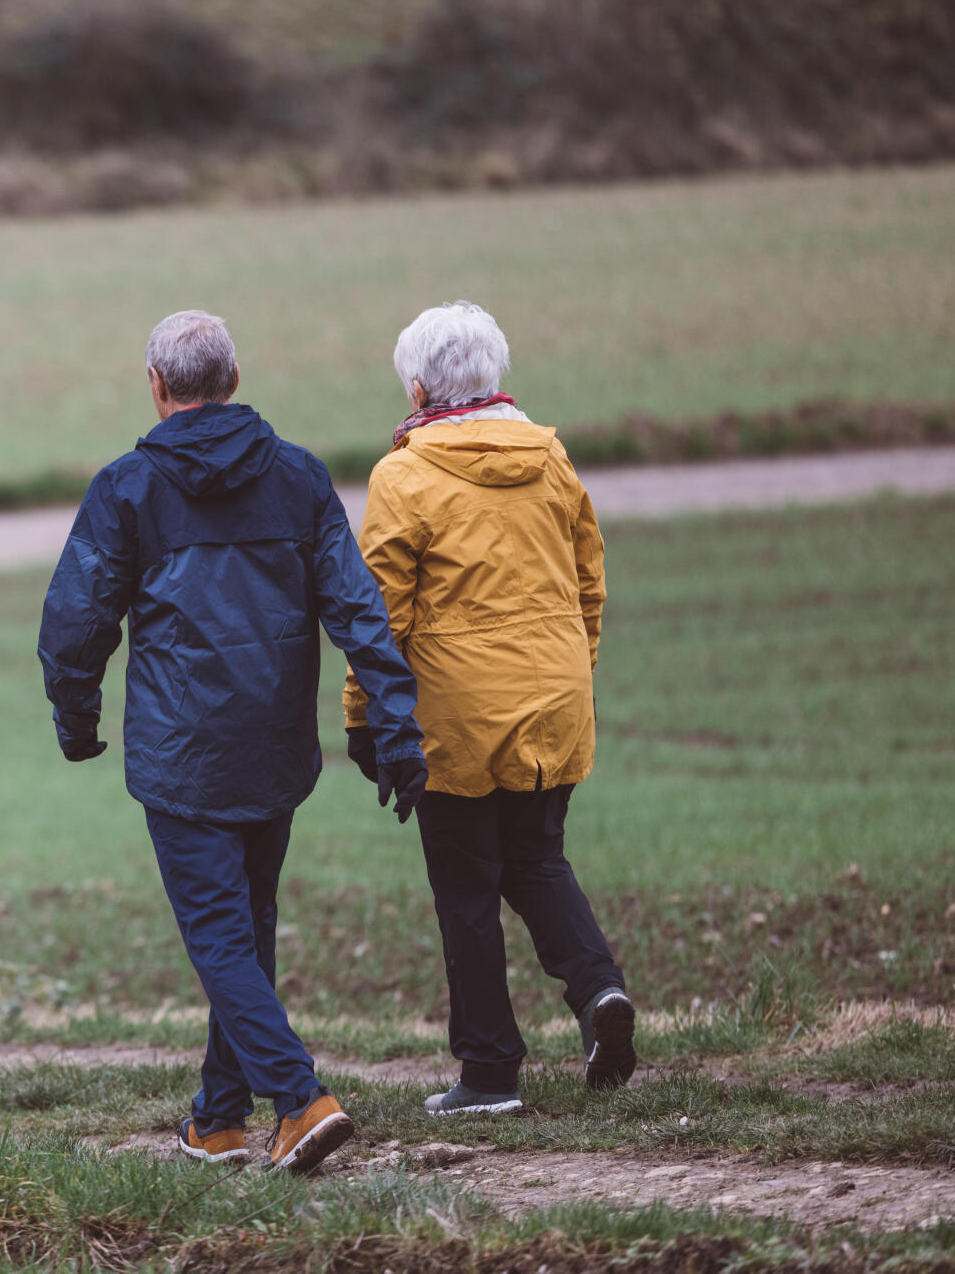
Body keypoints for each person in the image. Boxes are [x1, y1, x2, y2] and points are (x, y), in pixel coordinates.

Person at [39, 310, 427, 1172]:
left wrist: (77, 719)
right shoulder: (297, 479)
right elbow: (361, 610)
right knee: (245, 932)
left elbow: (74, 626)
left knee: (221, 939)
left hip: (182, 758)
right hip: (277, 749)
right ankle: (217, 1121)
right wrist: (395, 724)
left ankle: (301, 1099)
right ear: (234, 382)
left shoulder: (127, 488)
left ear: (156, 386)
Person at [342, 301, 635, 1117]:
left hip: (459, 717)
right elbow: (589, 583)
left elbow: (380, 618)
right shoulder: (551, 457)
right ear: (495, 376)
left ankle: (489, 1072)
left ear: (418, 384)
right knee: (537, 860)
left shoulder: (403, 475)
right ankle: (599, 992)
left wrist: (365, 719)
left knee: (467, 887)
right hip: (555, 698)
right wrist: (569, 673)